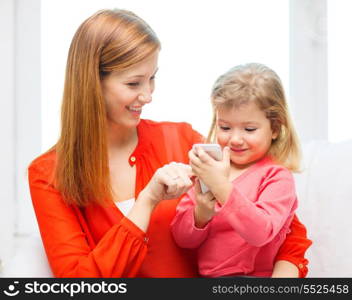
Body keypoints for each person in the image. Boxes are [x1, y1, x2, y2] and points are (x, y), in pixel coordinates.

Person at [28, 9, 311, 278]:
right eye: (134, 83)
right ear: (92, 83)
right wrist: (147, 200)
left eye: (152, 78)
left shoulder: (181, 140)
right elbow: (78, 282)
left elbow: (282, 227)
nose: (148, 95)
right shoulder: (48, 174)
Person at [171, 63, 309, 277]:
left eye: (249, 129)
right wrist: (200, 215)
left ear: (274, 128)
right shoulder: (209, 168)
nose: (235, 139)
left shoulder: (276, 177)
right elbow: (182, 240)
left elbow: (261, 233)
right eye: (225, 127)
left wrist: (222, 187)